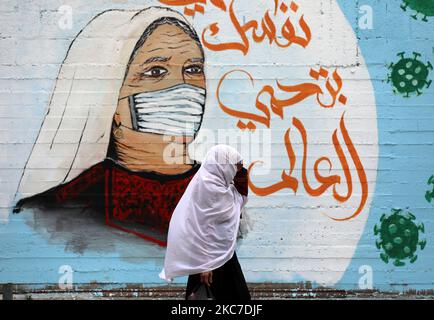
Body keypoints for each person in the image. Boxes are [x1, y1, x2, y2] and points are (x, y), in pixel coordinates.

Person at [13, 7, 207, 246]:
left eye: (193, 69)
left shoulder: (222, 192)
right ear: (109, 100)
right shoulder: (55, 214)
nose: (184, 88)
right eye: (155, 71)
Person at [159, 145, 251, 300]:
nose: (236, 170)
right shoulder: (208, 188)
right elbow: (201, 229)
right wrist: (206, 265)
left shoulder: (225, 189)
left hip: (224, 255)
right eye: (234, 166)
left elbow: (242, 196)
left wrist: (242, 170)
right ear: (223, 165)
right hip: (208, 262)